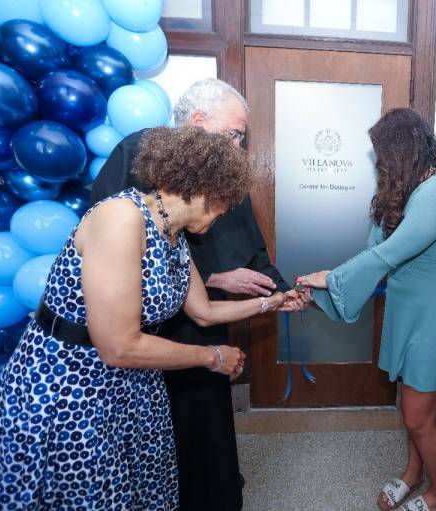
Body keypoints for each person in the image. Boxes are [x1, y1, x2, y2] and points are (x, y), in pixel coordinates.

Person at [0, 127, 295, 509]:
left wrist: (276, 301)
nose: (227, 211)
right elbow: (117, 345)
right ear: (202, 188)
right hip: (70, 383)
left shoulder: (174, 234)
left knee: (138, 489)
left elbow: (205, 312)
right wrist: (212, 358)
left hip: (132, 383)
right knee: (91, 492)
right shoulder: (121, 218)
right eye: (225, 201)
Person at [90, 78, 301, 511]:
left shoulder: (194, 206)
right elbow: (119, 316)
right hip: (135, 333)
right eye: (234, 133)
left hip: (195, 320)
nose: (238, 145)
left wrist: (280, 294)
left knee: (203, 429)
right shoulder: (131, 191)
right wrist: (218, 279)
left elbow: (241, 259)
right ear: (199, 120)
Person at [298, 108, 436, 511]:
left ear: (401, 149)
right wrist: (327, 279)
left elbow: (393, 252)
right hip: (406, 308)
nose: (378, 161)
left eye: (381, 152)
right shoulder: (404, 190)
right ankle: (413, 473)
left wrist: (334, 280)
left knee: (418, 415)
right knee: (409, 403)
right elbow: (373, 251)